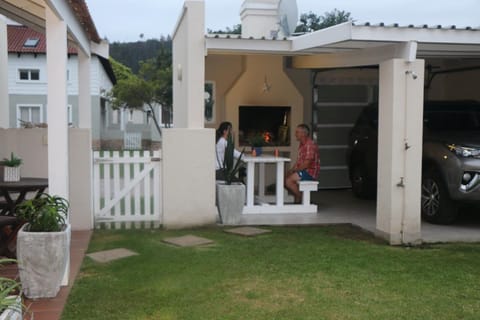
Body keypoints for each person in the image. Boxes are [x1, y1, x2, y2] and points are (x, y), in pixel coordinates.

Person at [285, 124, 320, 204]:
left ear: (303, 134)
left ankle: (302, 198)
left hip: (309, 172)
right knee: (285, 176)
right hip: (303, 170)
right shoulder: (302, 144)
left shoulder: (309, 145)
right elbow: (299, 161)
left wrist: (295, 170)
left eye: (297, 132)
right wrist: (292, 170)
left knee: (288, 181)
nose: (295, 134)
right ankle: (298, 197)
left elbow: (307, 164)